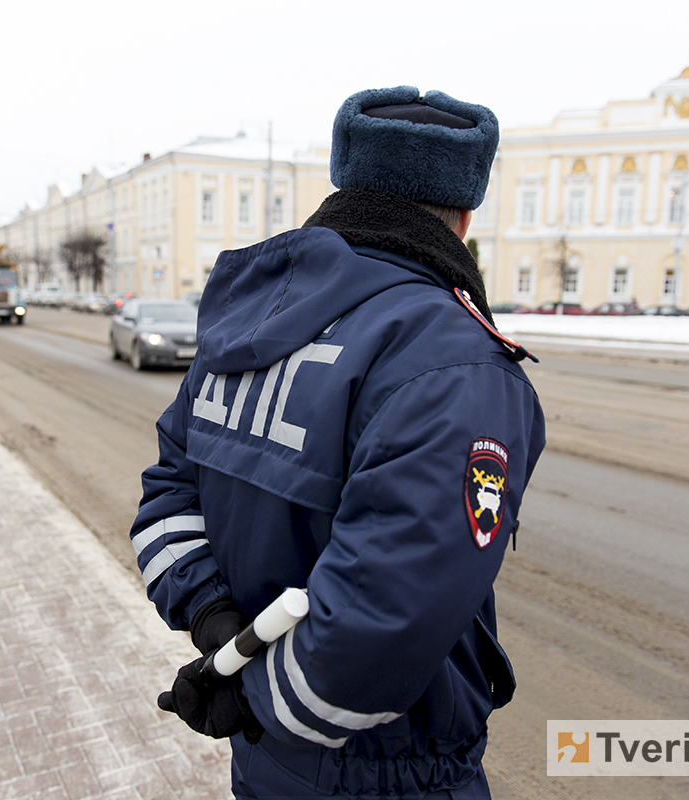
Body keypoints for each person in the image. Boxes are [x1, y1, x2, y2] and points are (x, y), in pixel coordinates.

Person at [131, 85, 546, 799]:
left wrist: (216, 629)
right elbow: (393, 609)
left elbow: (167, 497)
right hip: (386, 772)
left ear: (345, 186)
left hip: (264, 760)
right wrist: (258, 697)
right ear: (464, 217)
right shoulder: (452, 360)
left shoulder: (247, 326)